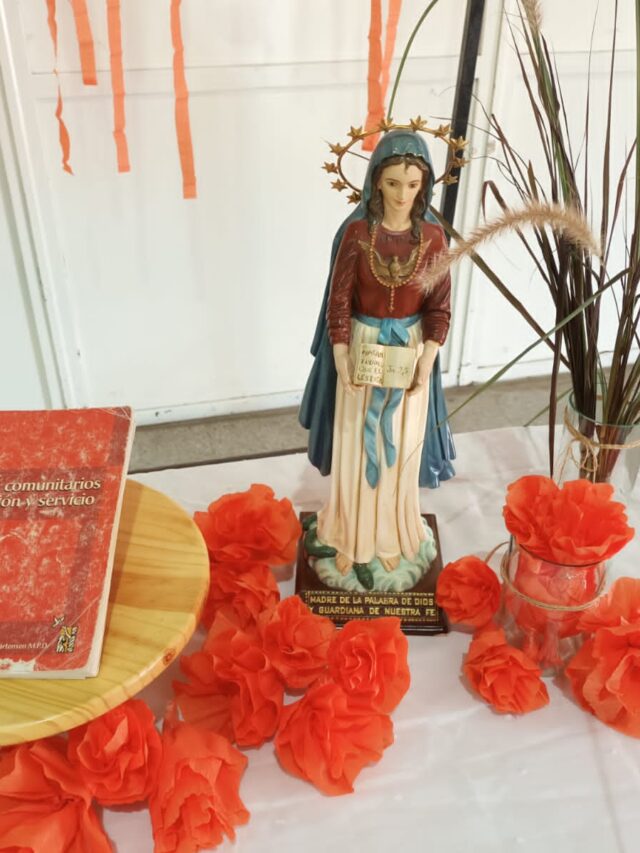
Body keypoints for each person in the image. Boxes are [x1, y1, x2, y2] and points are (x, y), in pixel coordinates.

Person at [299, 130, 455, 578]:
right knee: (354, 443)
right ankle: (348, 534)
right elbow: (339, 302)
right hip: (363, 349)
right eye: (392, 183)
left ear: (424, 185)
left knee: (400, 447)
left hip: (408, 351)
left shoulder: (433, 238)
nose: (403, 195)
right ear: (375, 183)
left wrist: (427, 358)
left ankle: (392, 536)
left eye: (412, 184)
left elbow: (439, 306)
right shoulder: (356, 235)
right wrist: (341, 356)